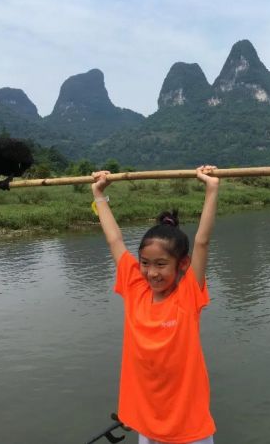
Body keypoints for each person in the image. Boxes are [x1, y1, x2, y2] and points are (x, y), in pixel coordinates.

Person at [91, 166, 220, 444]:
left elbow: (202, 242)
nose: (151, 273)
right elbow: (114, 240)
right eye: (145, 263)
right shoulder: (135, 287)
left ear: (182, 264)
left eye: (161, 264)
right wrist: (99, 195)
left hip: (188, 425)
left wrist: (211, 189)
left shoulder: (187, 296)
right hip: (147, 421)